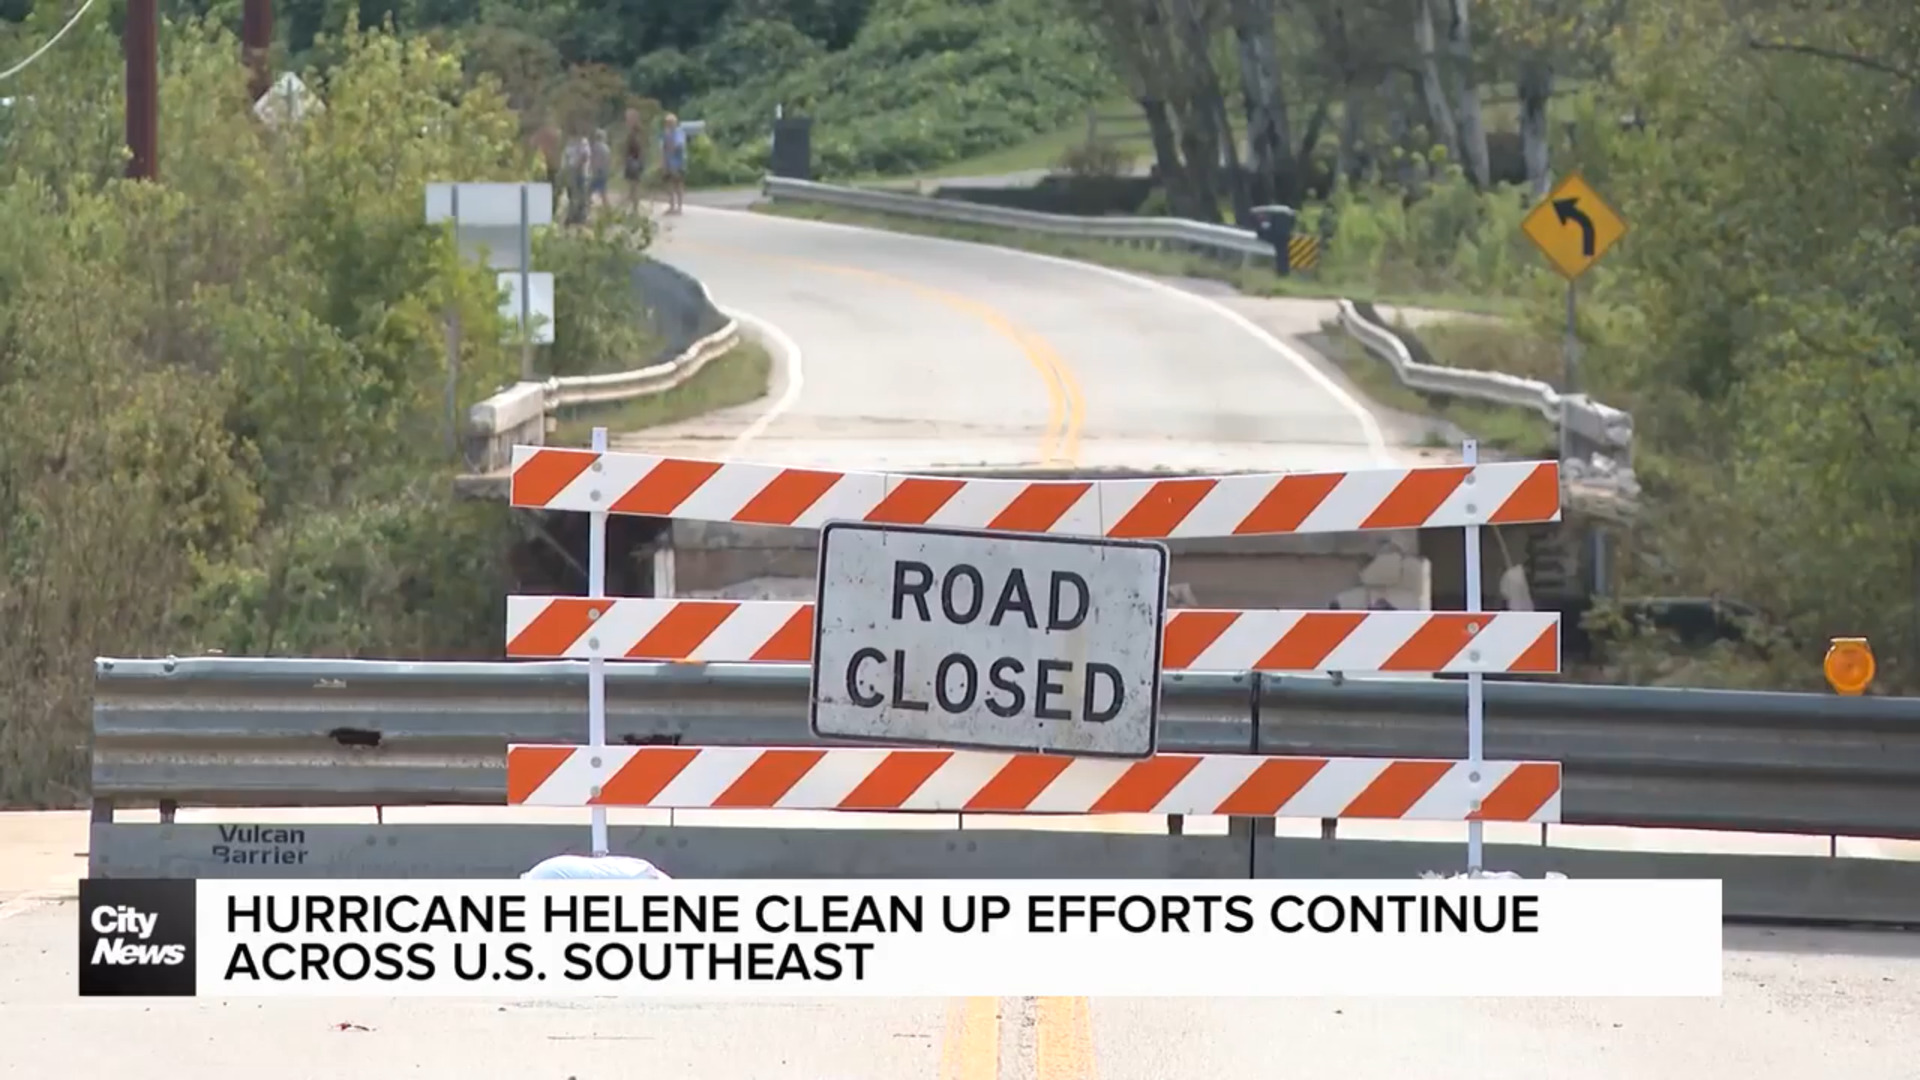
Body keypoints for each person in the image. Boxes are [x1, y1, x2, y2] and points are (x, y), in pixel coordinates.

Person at [660, 112, 687, 215]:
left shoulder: (679, 132)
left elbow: (679, 146)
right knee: (669, 184)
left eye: (670, 122)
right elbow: (662, 148)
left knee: (678, 184)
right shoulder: (665, 133)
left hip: (678, 162)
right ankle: (671, 205)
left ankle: (679, 207)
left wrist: (670, 146)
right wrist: (663, 162)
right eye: (667, 123)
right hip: (668, 162)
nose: (668, 124)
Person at [622, 108, 648, 213]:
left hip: (635, 161)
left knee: (634, 186)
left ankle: (635, 209)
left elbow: (641, 147)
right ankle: (633, 209)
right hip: (631, 160)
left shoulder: (637, 132)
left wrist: (640, 161)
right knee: (632, 187)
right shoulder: (631, 132)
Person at [589, 128, 612, 209]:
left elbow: (592, 159)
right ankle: (607, 209)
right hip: (603, 171)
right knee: (603, 192)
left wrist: (591, 169)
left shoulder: (594, 147)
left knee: (589, 191)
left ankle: (586, 207)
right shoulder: (606, 148)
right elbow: (608, 161)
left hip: (596, 171)